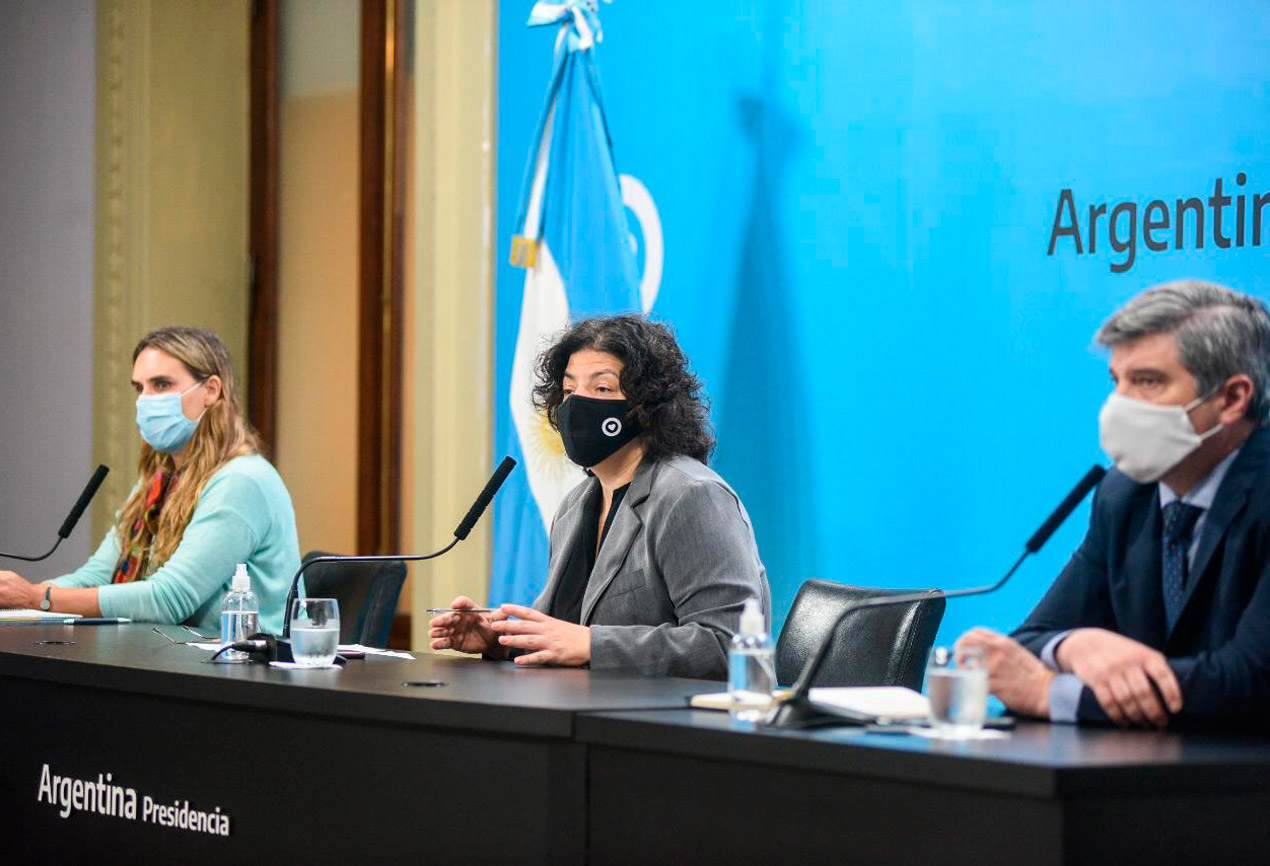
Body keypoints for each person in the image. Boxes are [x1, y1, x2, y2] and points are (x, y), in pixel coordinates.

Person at [957, 279, 1270, 730]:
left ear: (1232, 399)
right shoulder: (1124, 494)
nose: (1119, 405)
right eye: (1116, 381)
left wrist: (1052, 694)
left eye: (1148, 381)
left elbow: (1251, 683)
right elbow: (1026, 644)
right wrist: (1076, 645)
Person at [430, 315, 769, 680]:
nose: (578, 404)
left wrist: (595, 645)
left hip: (674, 714)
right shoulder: (576, 505)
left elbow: (728, 645)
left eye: (603, 388)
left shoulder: (692, 496)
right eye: (569, 390)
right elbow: (567, 634)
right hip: (579, 706)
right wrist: (502, 641)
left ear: (647, 403)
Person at [0, 327, 300, 635]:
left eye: (161, 384)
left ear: (210, 390)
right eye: (139, 388)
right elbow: (98, 575)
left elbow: (169, 598)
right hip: (172, 654)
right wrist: (14, 601)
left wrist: (39, 598)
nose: (145, 400)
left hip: (240, 661)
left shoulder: (241, 480)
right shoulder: (161, 479)